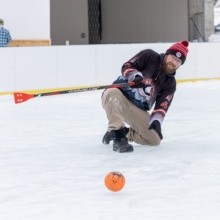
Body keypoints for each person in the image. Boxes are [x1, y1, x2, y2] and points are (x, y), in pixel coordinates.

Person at [101, 41, 189, 153]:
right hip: (117, 96)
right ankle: (117, 134)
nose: (174, 62)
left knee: (154, 140)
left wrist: (156, 121)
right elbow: (127, 66)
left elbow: (162, 106)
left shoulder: (170, 83)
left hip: (136, 109)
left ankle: (123, 133)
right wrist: (134, 76)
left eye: (178, 61)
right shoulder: (149, 55)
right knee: (112, 93)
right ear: (167, 54)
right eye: (173, 57)